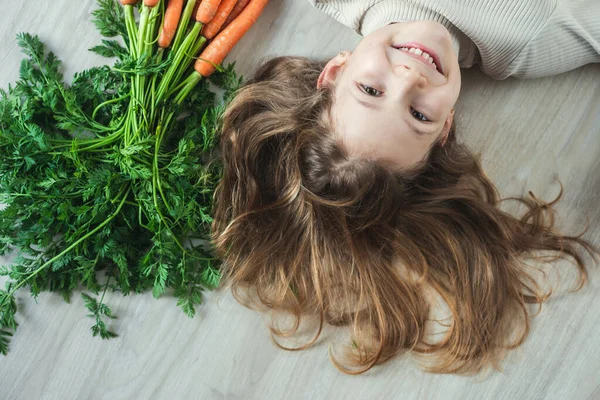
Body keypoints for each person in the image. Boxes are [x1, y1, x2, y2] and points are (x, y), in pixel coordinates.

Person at [209, 0, 600, 375]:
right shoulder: (529, 39)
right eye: (419, 115)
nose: (410, 77)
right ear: (446, 126)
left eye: (370, 91)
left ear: (335, 71)